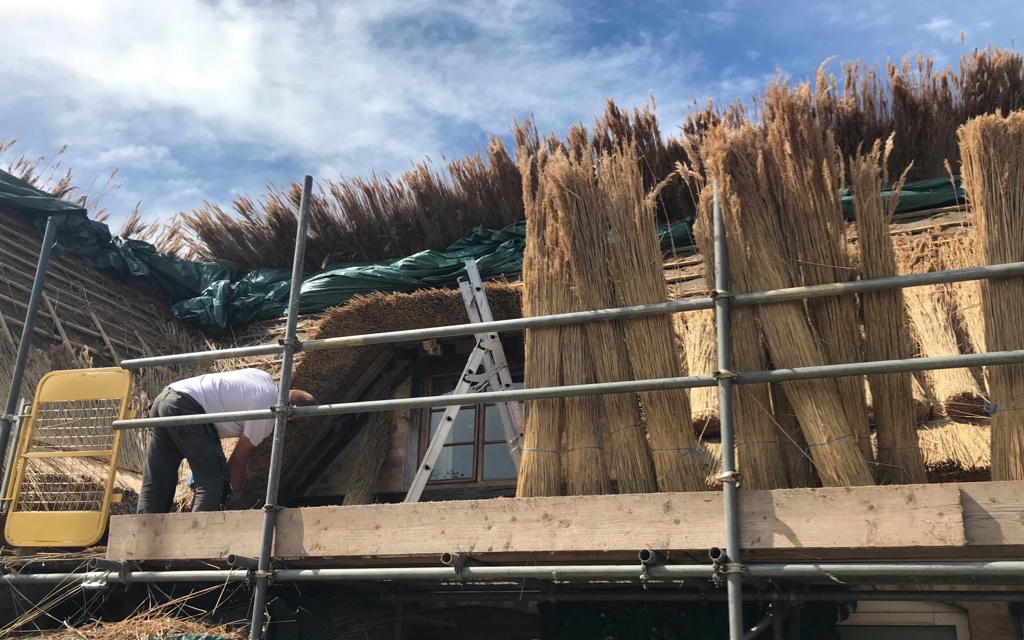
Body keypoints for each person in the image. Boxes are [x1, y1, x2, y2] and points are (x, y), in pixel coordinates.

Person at [136, 368, 317, 514]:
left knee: (158, 477)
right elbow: (237, 461)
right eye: (291, 423)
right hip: (186, 408)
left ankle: (140, 542)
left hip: (165, 399)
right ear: (289, 411)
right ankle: (194, 547)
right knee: (214, 482)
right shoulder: (268, 414)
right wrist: (237, 493)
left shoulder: (264, 378)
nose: (286, 426)